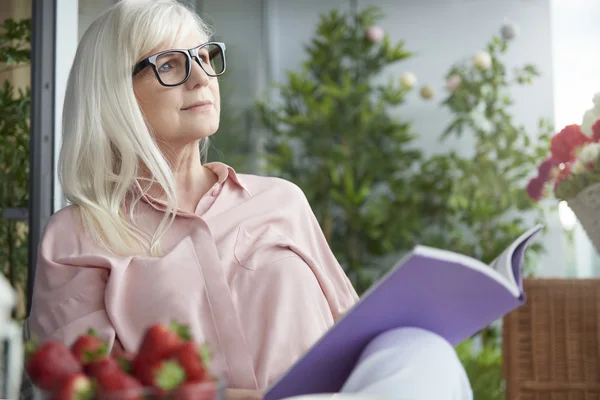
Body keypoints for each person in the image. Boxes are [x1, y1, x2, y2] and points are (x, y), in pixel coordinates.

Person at [26, 1, 472, 399]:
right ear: (114, 93)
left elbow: (356, 332)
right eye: (170, 64)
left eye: (204, 57)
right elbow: (80, 387)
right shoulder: (77, 236)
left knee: (425, 351)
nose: (201, 77)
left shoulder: (282, 200)